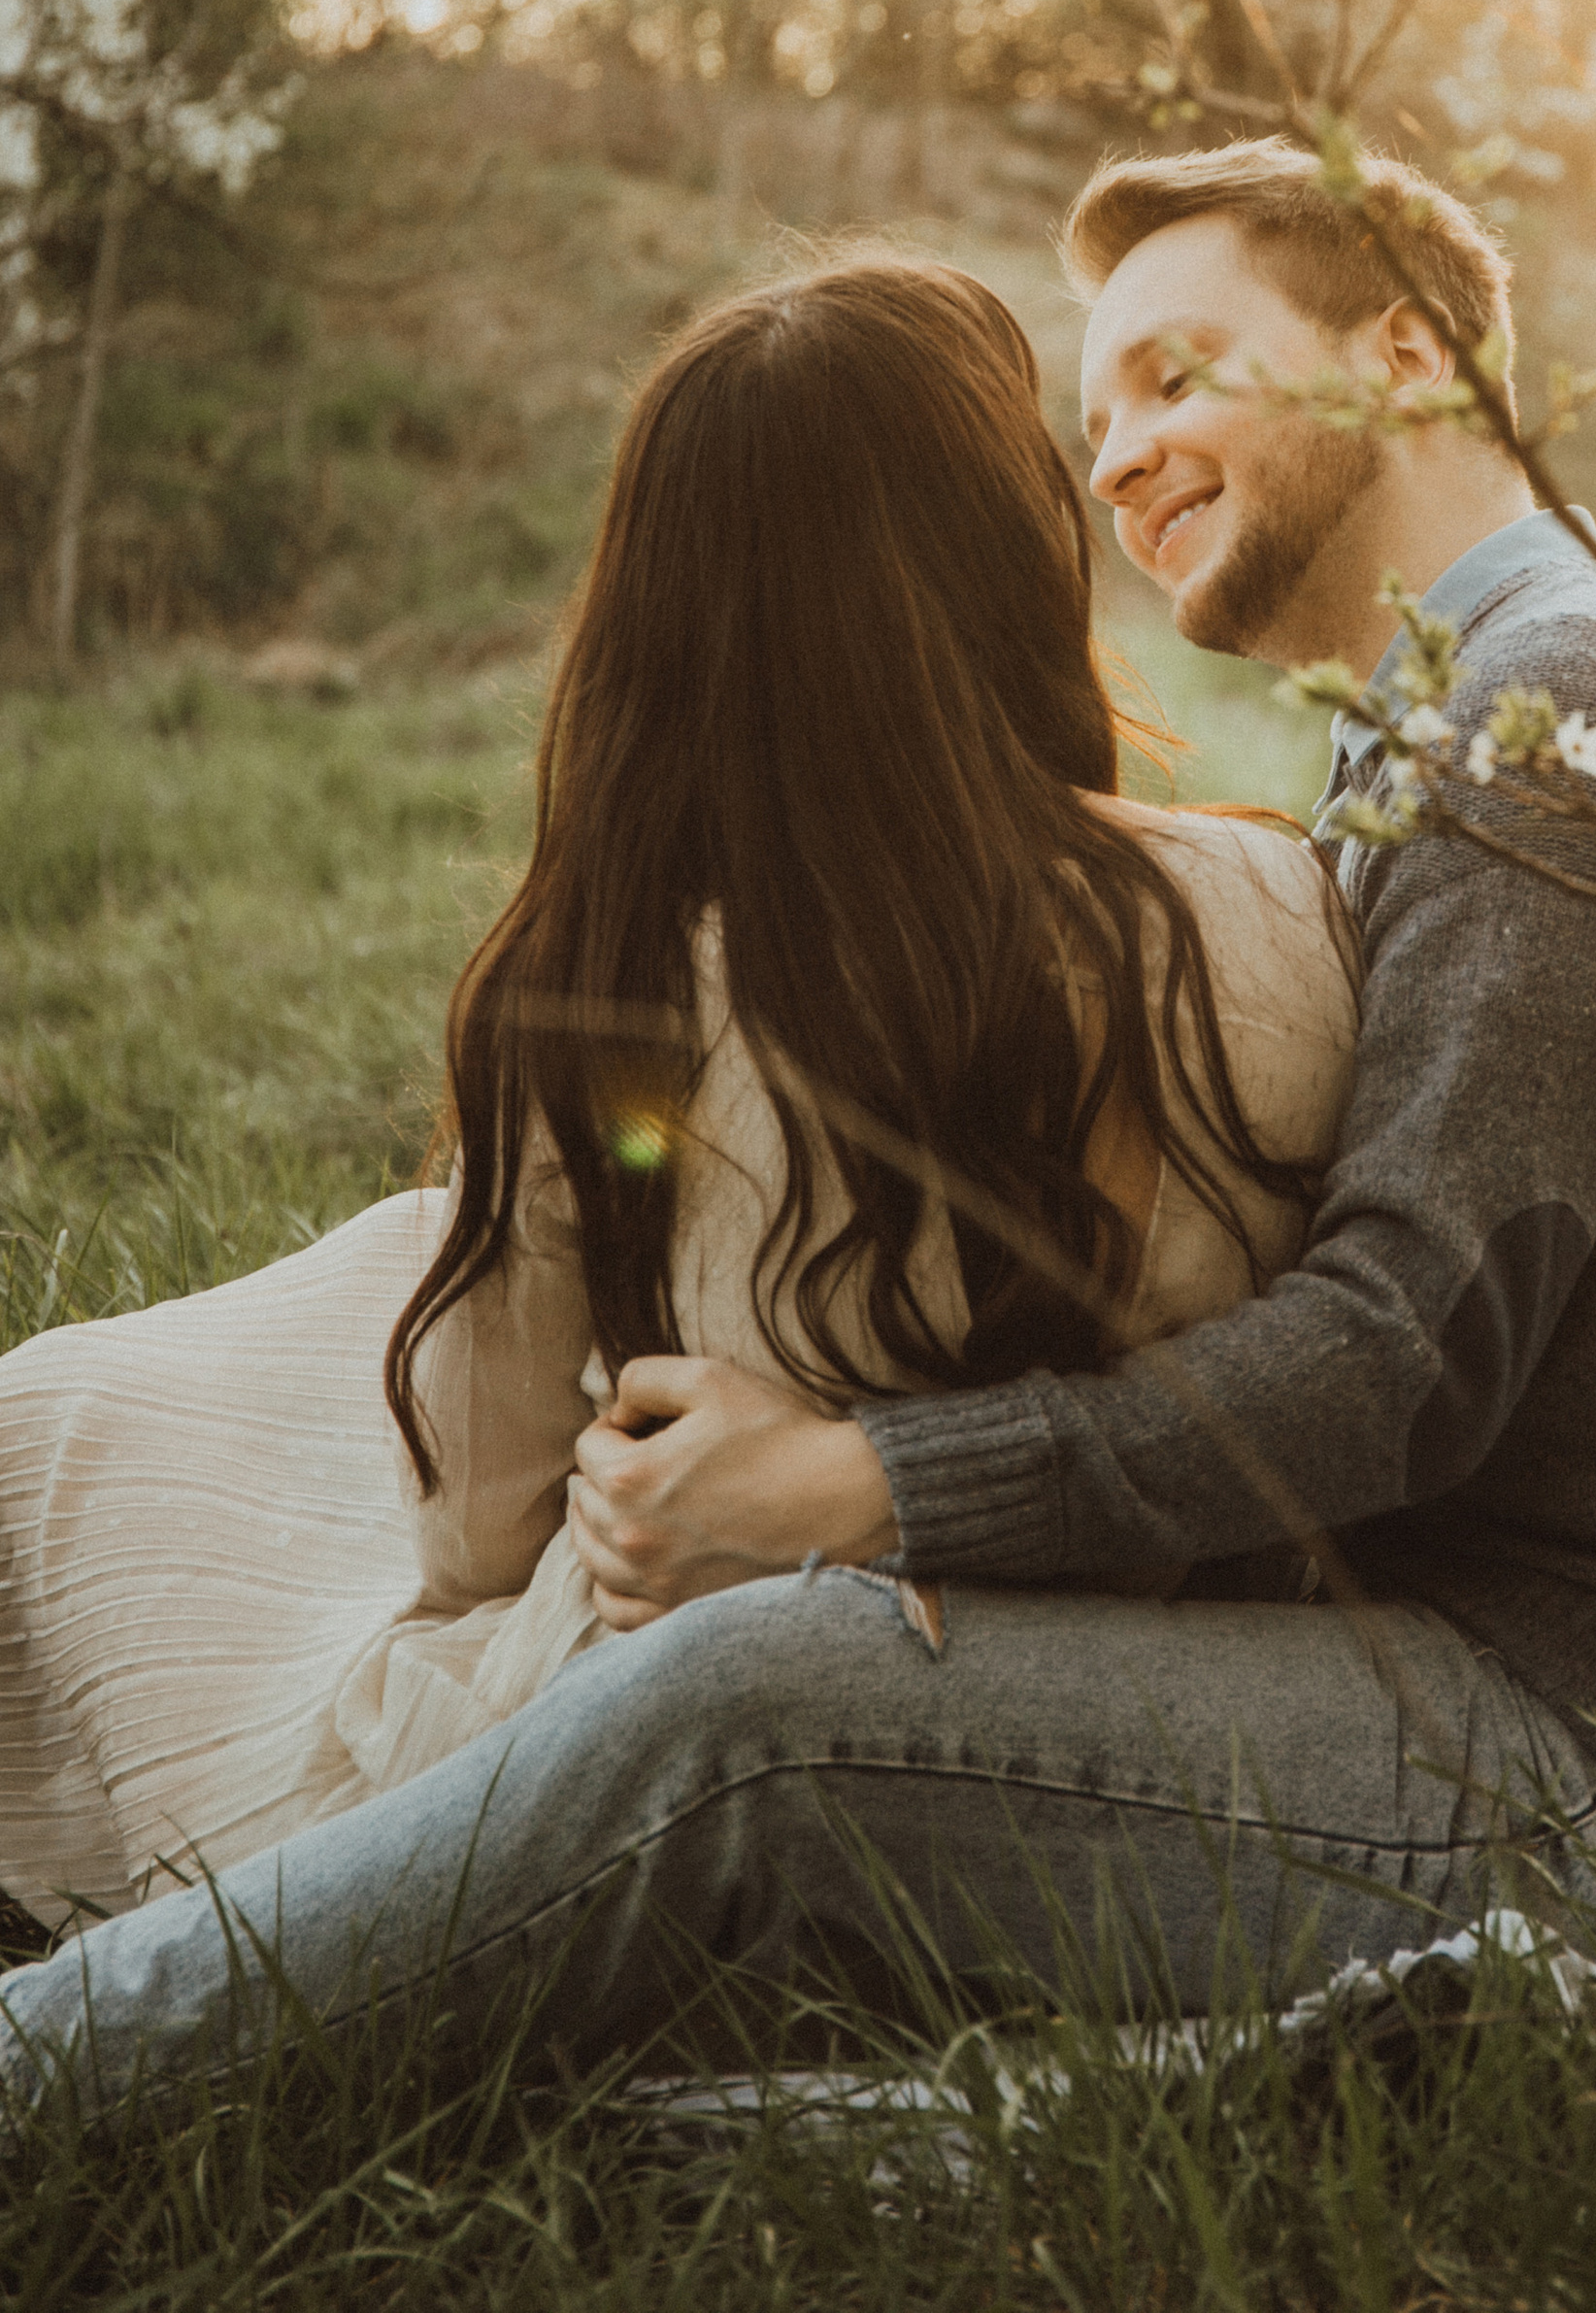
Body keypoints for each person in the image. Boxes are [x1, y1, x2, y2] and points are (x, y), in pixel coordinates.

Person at [2, 143, 1596, 2108]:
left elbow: (1395, 1364)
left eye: (1178, 374)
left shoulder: (1574, 714)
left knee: (753, 1704)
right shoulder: (1477, 712)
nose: (1117, 461)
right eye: (1091, 421)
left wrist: (861, 1482)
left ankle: (52, 2075)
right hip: (1501, 1666)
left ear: (1407, 356)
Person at [0, 252, 1353, 1932]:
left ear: (662, 617)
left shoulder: (622, 980)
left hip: (671, 1718)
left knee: (70, 1435)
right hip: (1149, 1692)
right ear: (1015, 554)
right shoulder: (1283, 899)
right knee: (352, 1281)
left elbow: (480, 1533)